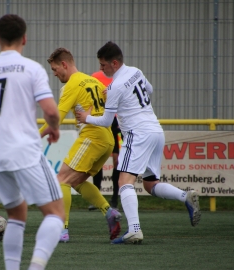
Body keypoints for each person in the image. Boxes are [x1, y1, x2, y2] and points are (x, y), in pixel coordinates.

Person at [0, 14, 65, 270]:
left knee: (17, 215)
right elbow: (51, 112)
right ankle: (36, 267)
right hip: (24, 151)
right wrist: (53, 128)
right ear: (25, 39)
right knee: (55, 213)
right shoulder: (31, 69)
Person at [75, 41, 201, 244]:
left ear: (114, 63)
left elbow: (107, 121)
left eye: (103, 65)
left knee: (124, 182)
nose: (101, 69)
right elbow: (148, 90)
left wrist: (85, 118)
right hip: (155, 131)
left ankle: (134, 230)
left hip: (138, 133)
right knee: (151, 184)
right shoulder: (135, 71)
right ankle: (184, 196)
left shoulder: (115, 85)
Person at [40, 47, 122, 243]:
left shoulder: (72, 84)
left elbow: (56, 117)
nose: (54, 73)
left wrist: (36, 137)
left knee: (61, 180)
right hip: (107, 139)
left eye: (54, 69)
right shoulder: (93, 80)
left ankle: (62, 230)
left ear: (64, 64)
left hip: (92, 136)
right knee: (75, 182)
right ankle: (109, 212)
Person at [88, 70, 122, 210]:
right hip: (101, 122)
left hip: (116, 123)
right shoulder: (95, 77)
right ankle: (97, 199)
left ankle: (114, 199)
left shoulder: (120, 77)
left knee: (117, 161)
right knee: (98, 160)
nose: (103, 65)